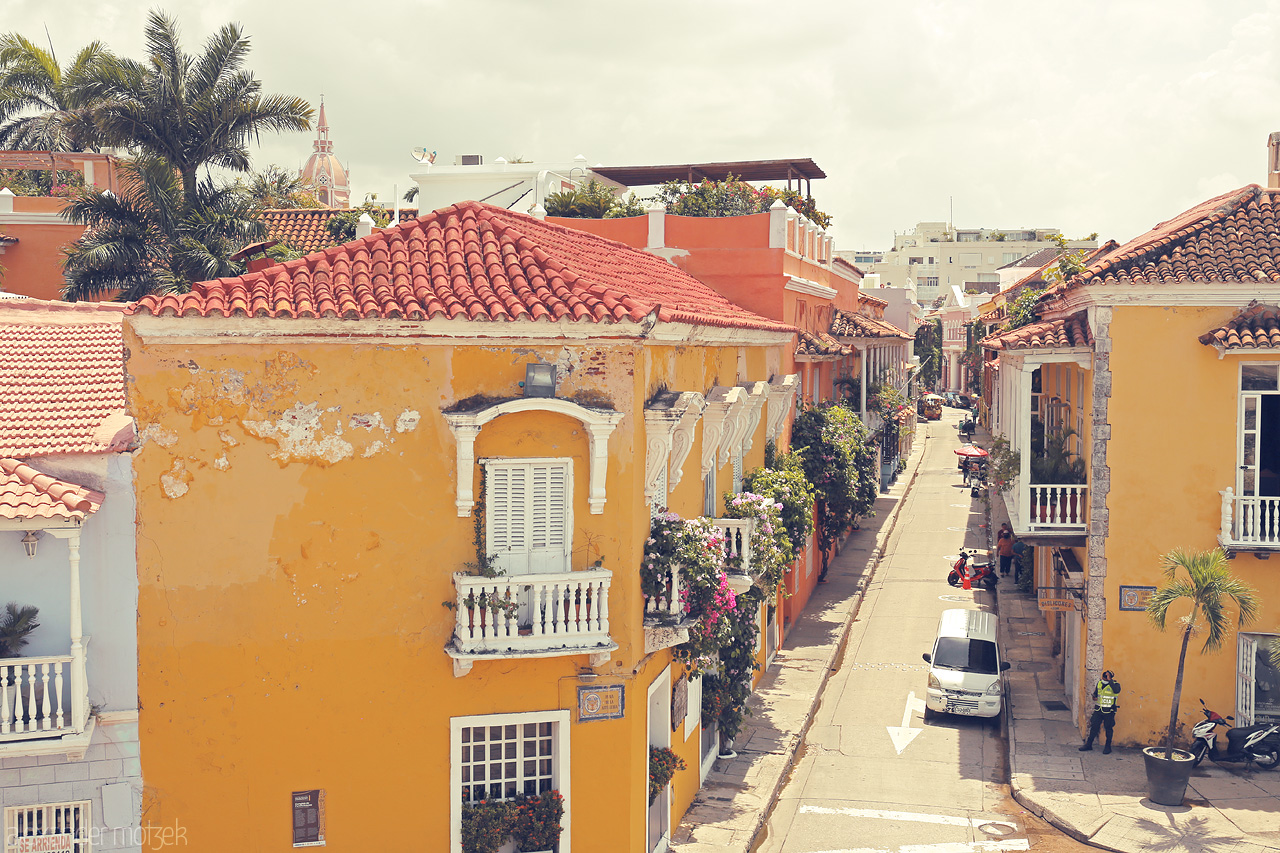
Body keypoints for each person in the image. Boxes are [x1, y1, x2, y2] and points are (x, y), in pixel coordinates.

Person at [1080, 670, 1121, 754]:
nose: (1104, 679)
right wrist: (1094, 697)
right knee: (1094, 726)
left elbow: (1116, 691)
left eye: (1106, 677)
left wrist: (1110, 681)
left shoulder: (1115, 685)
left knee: (1108, 728)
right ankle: (1089, 744)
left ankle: (1108, 746)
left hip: (1109, 711)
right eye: (1104, 677)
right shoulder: (1099, 683)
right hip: (1098, 710)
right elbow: (1096, 693)